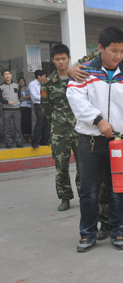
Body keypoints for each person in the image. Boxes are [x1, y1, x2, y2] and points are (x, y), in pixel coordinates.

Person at [70, 18, 123, 244]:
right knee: (93, 189)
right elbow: (74, 87)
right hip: (93, 138)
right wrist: (69, 69)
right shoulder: (91, 66)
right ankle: (101, 226)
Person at [41, 44, 80, 211]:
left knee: (84, 165)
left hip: (79, 129)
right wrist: (59, 120)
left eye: (64, 58)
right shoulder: (48, 84)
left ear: (69, 59)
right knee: (61, 166)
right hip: (59, 132)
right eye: (57, 59)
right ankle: (65, 197)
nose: (61, 62)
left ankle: (84, 194)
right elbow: (46, 109)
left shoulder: (78, 79)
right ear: (52, 60)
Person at [0, 70, 22, 148]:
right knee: (6, 128)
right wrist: (7, 102)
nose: (7, 76)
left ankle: (19, 143)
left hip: (17, 109)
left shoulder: (17, 85)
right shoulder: (1, 87)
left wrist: (19, 101)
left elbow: (19, 96)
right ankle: (8, 143)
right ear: (3, 76)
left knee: (18, 127)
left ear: (11, 75)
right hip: (6, 110)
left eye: (8, 74)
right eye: (5, 74)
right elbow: (0, 98)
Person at [29, 69, 50, 148]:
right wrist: (45, 98)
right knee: (40, 122)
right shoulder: (32, 84)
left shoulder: (45, 84)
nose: (45, 77)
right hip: (38, 105)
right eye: (44, 76)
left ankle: (44, 140)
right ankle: (35, 142)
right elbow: (34, 96)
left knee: (47, 123)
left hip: (46, 105)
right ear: (39, 76)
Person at [17, 77, 32, 142]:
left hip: (28, 106)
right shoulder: (18, 90)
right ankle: (23, 137)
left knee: (29, 122)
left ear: (24, 82)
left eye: (22, 81)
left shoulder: (28, 88)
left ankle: (29, 136)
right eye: (20, 81)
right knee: (22, 122)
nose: (21, 82)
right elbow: (18, 98)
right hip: (21, 107)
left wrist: (23, 98)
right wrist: (26, 98)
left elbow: (31, 96)